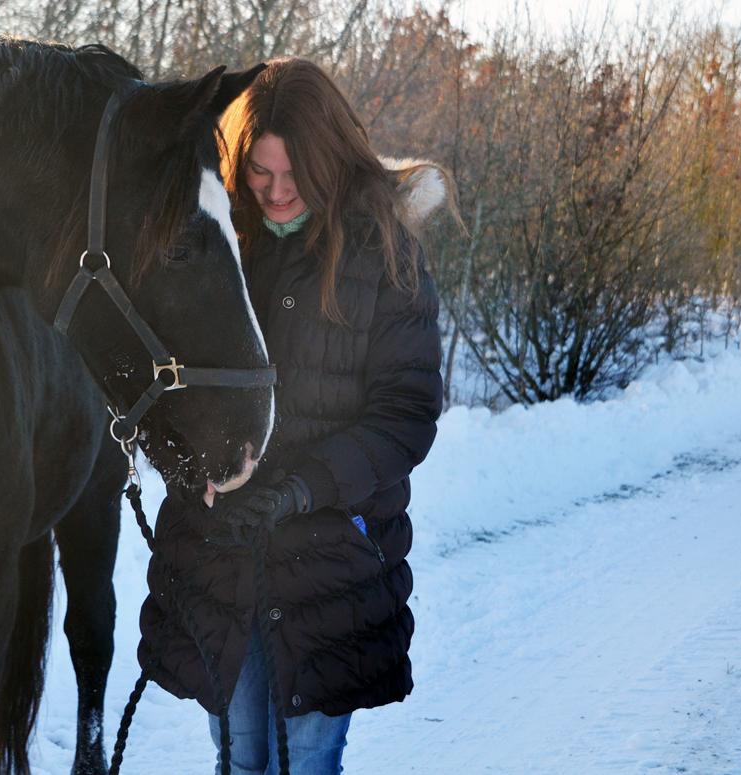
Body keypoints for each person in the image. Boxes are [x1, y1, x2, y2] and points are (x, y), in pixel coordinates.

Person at [137, 57, 446, 775]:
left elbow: (406, 414)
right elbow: (161, 386)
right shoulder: (213, 245)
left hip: (328, 565)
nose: (276, 194)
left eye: (294, 175)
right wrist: (187, 468)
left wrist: (303, 486)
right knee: (242, 761)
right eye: (260, 174)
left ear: (330, 161)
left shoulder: (386, 255)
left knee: (304, 765)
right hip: (222, 559)